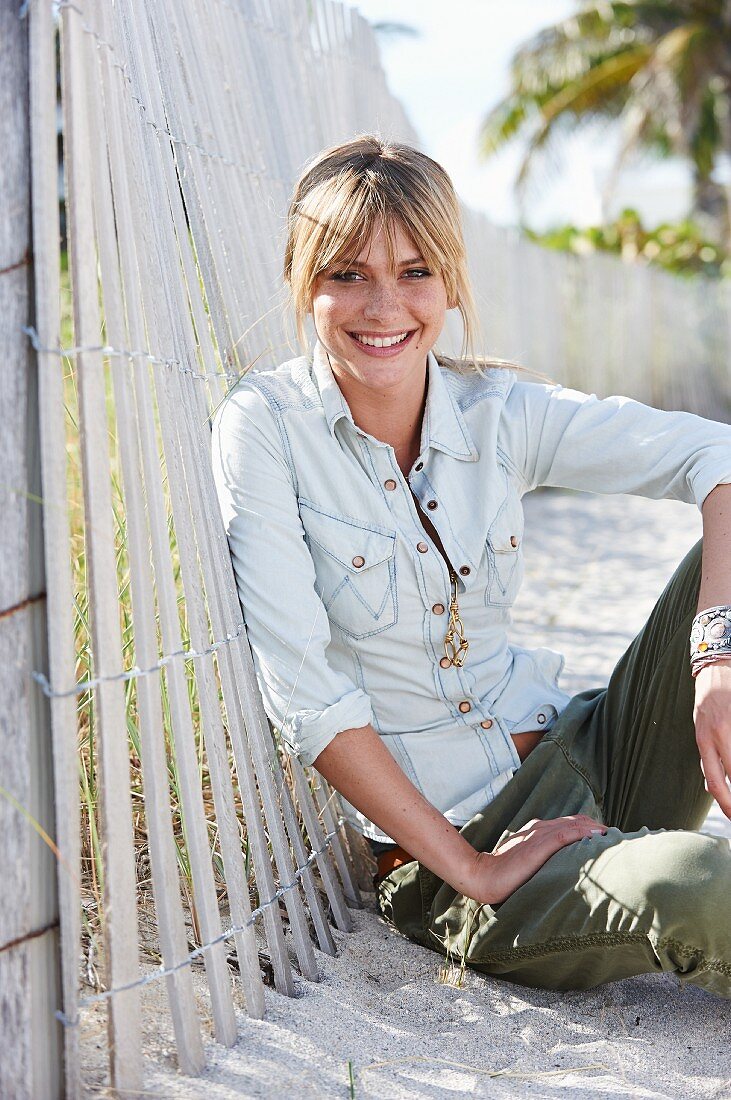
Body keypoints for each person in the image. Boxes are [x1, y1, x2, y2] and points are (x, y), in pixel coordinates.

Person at [212, 135, 731, 996]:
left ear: (449, 282)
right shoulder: (265, 428)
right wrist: (474, 869)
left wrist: (715, 656)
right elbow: (308, 696)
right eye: (347, 274)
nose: (383, 307)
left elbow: (716, 455)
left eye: (414, 272)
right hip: (460, 850)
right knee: (697, 885)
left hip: (594, 754)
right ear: (304, 284)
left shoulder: (497, 411)